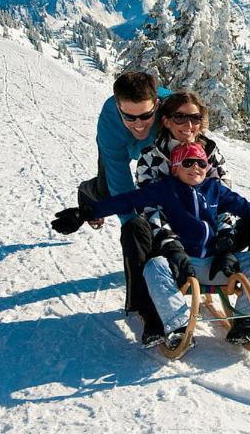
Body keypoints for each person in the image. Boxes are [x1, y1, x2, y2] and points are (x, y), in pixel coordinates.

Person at [52, 143, 250, 347]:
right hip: (181, 264)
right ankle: (176, 324)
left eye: (200, 163)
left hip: (216, 262)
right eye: (187, 162)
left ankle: (246, 320)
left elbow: (249, 208)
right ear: (175, 168)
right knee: (154, 266)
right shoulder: (165, 189)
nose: (195, 167)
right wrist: (84, 213)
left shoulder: (216, 190)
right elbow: (126, 201)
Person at [135, 92, 250, 303]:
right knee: (134, 228)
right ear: (166, 121)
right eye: (180, 117)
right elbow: (149, 207)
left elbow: (224, 201)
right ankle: (146, 307)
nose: (188, 124)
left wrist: (225, 241)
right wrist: (171, 244)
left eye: (195, 118)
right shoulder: (151, 157)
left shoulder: (211, 152)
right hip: (172, 240)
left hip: (212, 239)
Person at [79, 71, 170, 344]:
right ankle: (87, 194)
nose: (138, 123)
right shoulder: (109, 123)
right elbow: (121, 185)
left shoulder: (168, 111)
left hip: (151, 149)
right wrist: (138, 233)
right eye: (129, 116)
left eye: (145, 116)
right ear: (118, 107)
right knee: (108, 192)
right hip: (117, 145)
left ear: (156, 105)